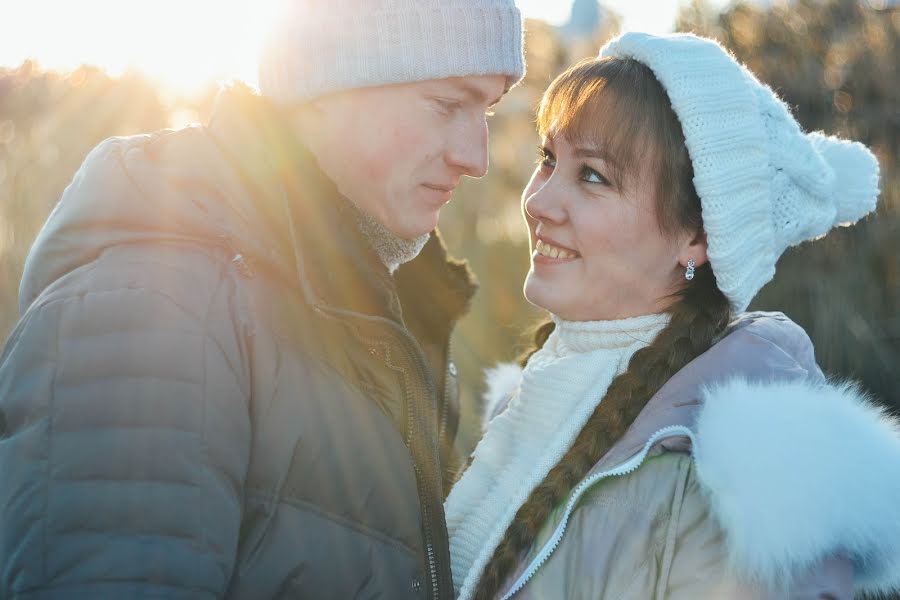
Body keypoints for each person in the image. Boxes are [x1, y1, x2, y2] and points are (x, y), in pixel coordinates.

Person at [0, 1, 524, 598]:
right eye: (447, 105)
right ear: (328, 83)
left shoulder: (375, 323)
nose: (476, 157)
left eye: (486, 110)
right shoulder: (153, 309)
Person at [445, 32, 900, 600]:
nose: (537, 202)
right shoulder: (533, 408)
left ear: (698, 236)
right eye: (548, 159)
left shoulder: (732, 498)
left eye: (592, 175)